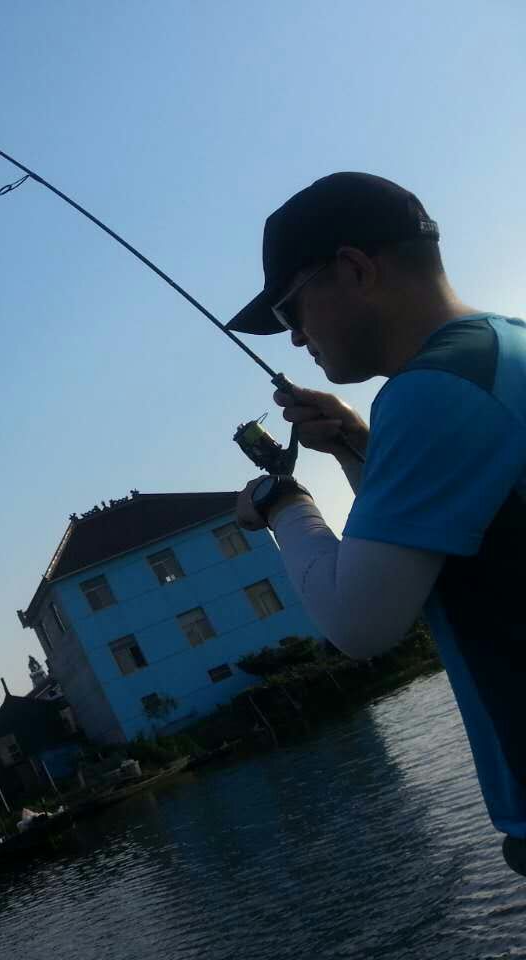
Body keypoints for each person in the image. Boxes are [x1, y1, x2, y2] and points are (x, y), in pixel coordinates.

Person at [225, 172, 526, 877]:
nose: (295, 338)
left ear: (356, 269)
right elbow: (436, 548)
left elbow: (361, 621)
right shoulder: (496, 349)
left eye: (291, 308)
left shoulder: (430, 395)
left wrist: (279, 502)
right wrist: (358, 447)